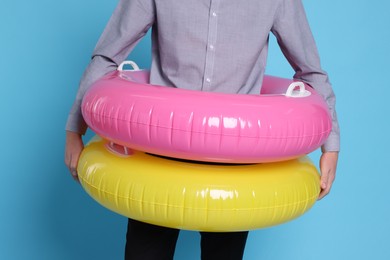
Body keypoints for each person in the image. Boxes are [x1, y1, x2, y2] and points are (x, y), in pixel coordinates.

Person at [65, 0, 340, 259]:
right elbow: (106, 57)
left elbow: (311, 73)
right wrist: (74, 129)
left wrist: (331, 145)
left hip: (234, 162)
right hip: (159, 156)